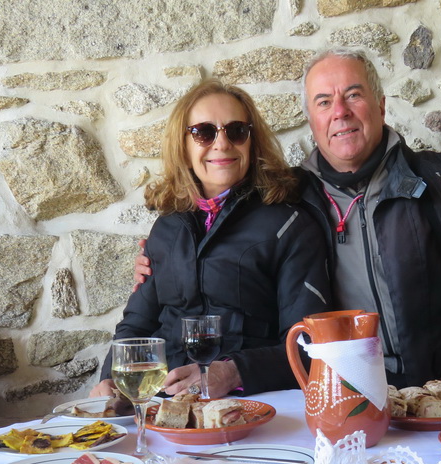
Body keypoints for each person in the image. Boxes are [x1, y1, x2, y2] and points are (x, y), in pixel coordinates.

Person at [135, 49, 441, 398]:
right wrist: (164, 261)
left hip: (434, 392)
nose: (340, 112)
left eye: (353, 95)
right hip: (340, 395)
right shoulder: (285, 198)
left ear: (381, 105)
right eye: (324, 101)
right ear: (310, 118)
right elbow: (224, 234)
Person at [91, 79, 331, 401]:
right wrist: (111, 380)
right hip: (166, 401)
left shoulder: (288, 225)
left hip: (251, 401)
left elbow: (308, 342)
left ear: (252, 142)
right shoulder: (166, 227)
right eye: (204, 132)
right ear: (183, 146)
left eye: (236, 131)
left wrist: (233, 373)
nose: (222, 144)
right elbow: (138, 324)